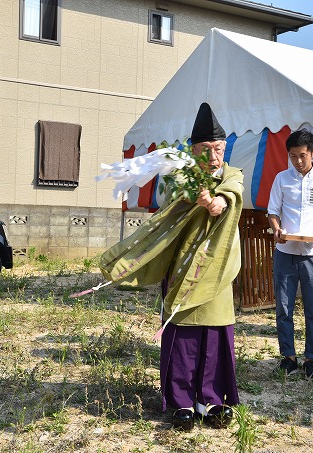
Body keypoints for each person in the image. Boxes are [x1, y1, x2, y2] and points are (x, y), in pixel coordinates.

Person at [100, 102, 244, 431]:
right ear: (193, 151)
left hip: (217, 268)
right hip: (183, 266)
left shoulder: (233, 175)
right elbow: (170, 212)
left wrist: (216, 201)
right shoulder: (181, 178)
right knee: (183, 336)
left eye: (219, 148)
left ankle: (210, 399)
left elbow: (231, 195)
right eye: (206, 149)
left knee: (215, 333)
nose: (213, 156)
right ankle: (181, 402)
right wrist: (194, 197)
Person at [267, 128, 313, 379]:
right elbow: (273, 211)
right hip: (285, 251)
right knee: (284, 308)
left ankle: (312, 358)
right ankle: (288, 357)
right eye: (292, 156)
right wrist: (277, 229)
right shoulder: (281, 179)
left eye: (302, 155)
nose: (298, 161)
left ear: (312, 152)